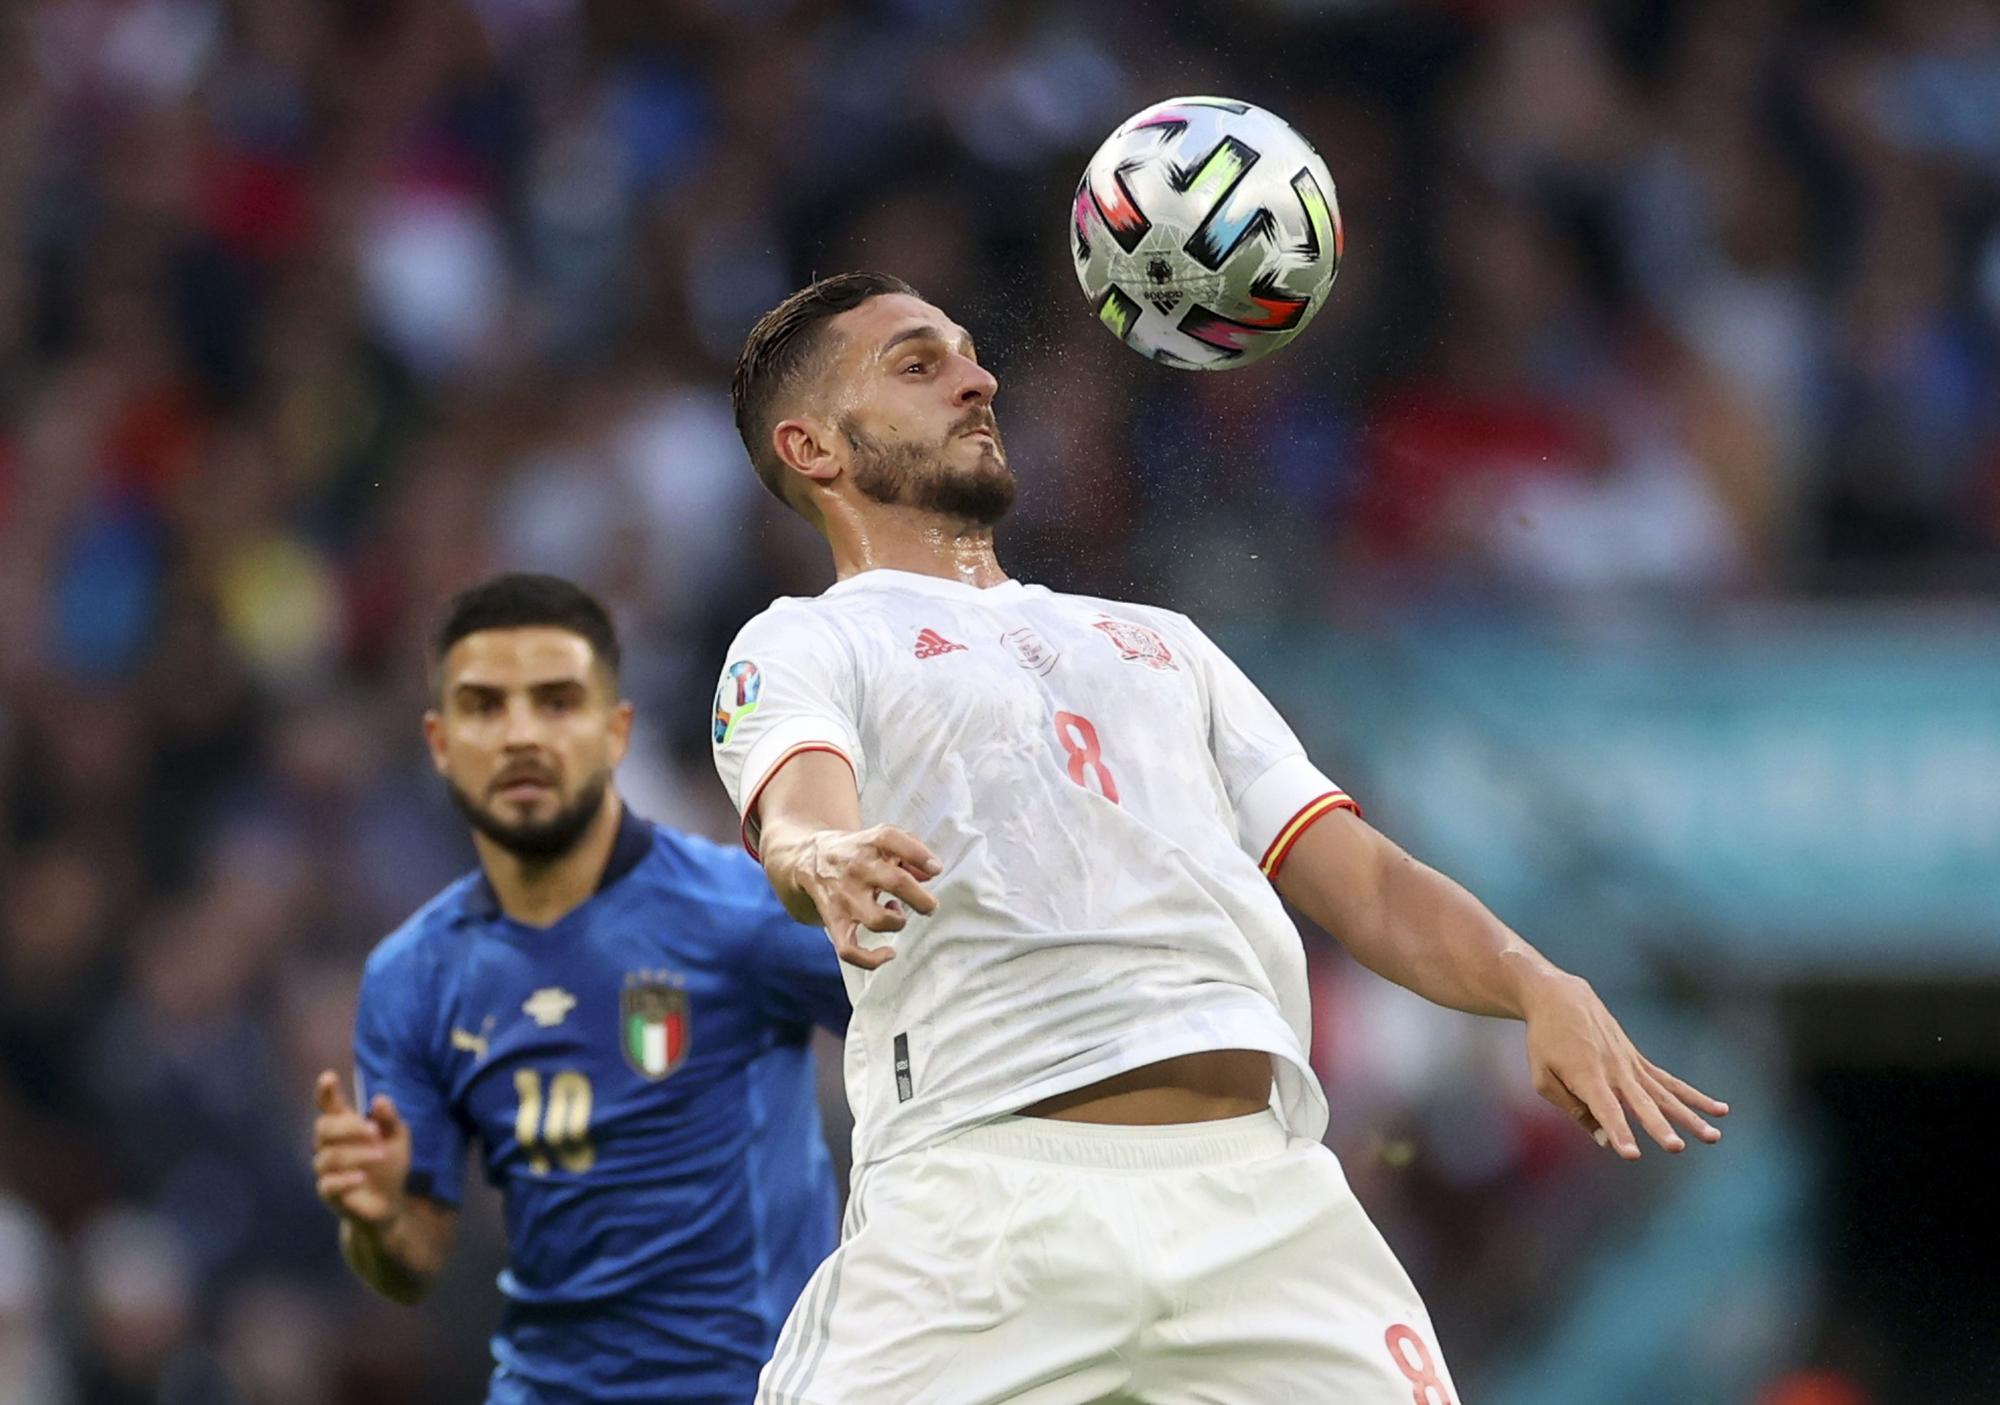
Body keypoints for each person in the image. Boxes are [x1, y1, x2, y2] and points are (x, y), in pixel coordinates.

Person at [711, 272, 1731, 1404]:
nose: (977, 377)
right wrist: (816, 859)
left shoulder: (1161, 642)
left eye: (965, 350)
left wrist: (1535, 981)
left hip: (1263, 1206)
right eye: (917, 363)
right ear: (811, 446)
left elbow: (1371, 887)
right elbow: (799, 812)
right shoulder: (803, 642)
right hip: (984, 1207)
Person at [312, 573, 849, 1405]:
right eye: (485, 706)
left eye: (556, 701)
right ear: (441, 741)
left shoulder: (740, 913)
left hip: (759, 1389)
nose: (521, 734)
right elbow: (411, 1263)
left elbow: (929, 1027)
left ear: (615, 730)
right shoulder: (411, 975)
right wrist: (376, 1219)